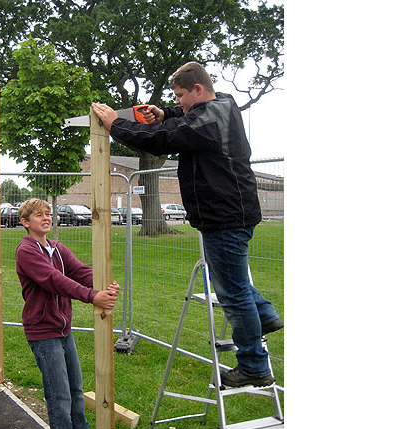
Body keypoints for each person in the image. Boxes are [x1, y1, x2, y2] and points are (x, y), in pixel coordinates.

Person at [91, 61, 283, 389]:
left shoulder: (207, 118)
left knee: (232, 292)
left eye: (180, 95)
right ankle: (264, 317)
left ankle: (253, 364)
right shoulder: (222, 104)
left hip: (223, 217)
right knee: (233, 281)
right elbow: (182, 120)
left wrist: (115, 125)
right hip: (230, 213)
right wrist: (165, 112)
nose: (177, 101)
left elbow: (167, 138)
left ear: (197, 89)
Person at [15, 198, 120, 429]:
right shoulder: (26, 251)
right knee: (59, 396)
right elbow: (54, 280)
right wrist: (92, 295)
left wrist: (104, 282)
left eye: (48, 213)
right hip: (43, 332)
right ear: (25, 222)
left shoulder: (57, 248)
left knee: (75, 390)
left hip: (63, 330)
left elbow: (81, 271)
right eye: (38, 215)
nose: (46, 218)